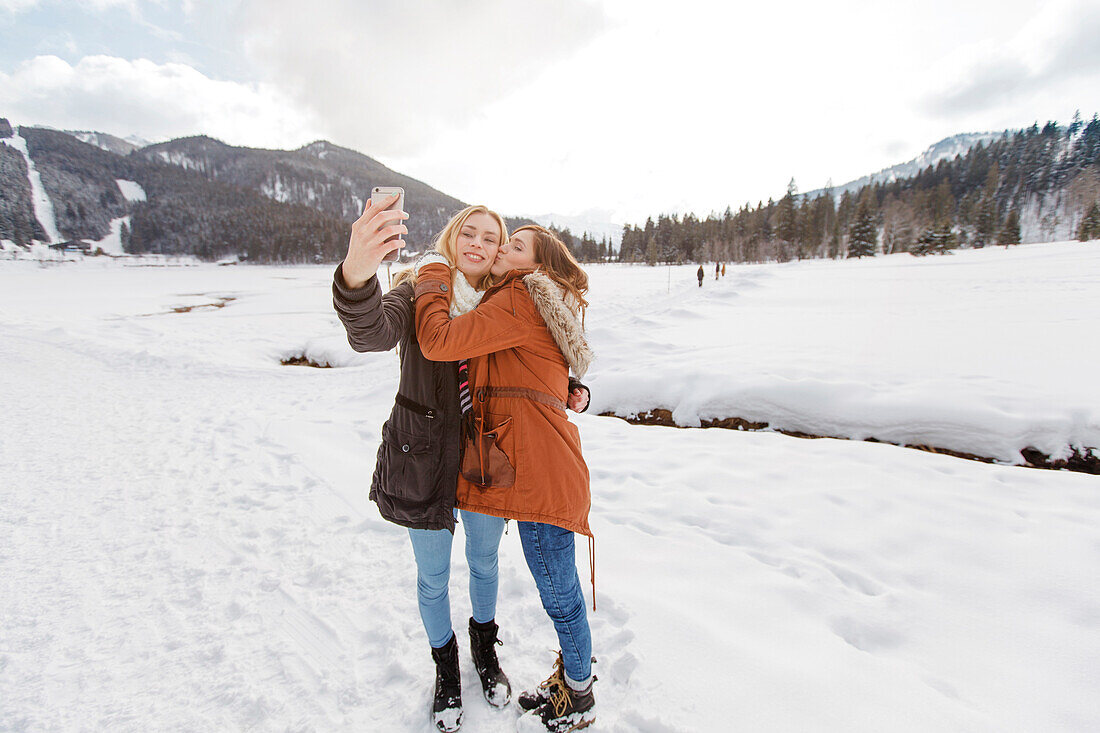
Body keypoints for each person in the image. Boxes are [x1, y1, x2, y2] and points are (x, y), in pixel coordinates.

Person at [332, 200, 590, 733]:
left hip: (481, 463)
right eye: (468, 232)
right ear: (453, 237)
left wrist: (568, 387)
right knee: (431, 579)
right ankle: (446, 671)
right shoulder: (420, 286)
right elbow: (371, 333)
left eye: (491, 239)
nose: (478, 243)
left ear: (500, 253)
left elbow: (528, 360)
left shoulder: (503, 300)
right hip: (424, 460)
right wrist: (357, 274)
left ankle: (485, 653)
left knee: (484, 563)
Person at [414, 225, 597, 733]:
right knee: (560, 586)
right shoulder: (528, 301)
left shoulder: (518, 298)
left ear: (532, 267)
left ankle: (579, 697)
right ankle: (575, 679)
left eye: (514, 246)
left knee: (559, 592)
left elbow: (438, 340)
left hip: (540, 474)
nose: (501, 249)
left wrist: (431, 275)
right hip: (543, 466)